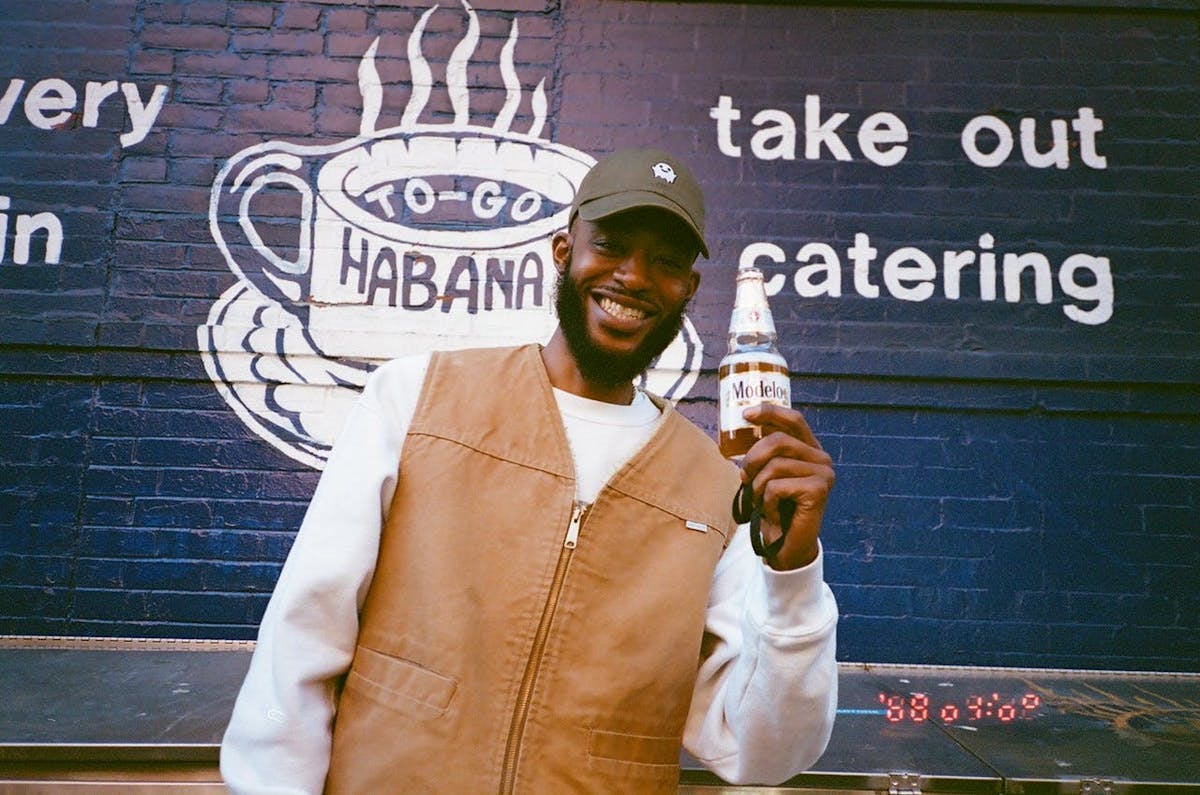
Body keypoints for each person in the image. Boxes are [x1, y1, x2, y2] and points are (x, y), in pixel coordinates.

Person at [220, 148, 838, 794]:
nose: (634, 276)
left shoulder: (717, 489)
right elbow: (303, 635)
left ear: (689, 288)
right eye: (613, 246)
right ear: (563, 250)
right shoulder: (415, 399)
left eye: (666, 262)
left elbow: (762, 753)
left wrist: (793, 575)